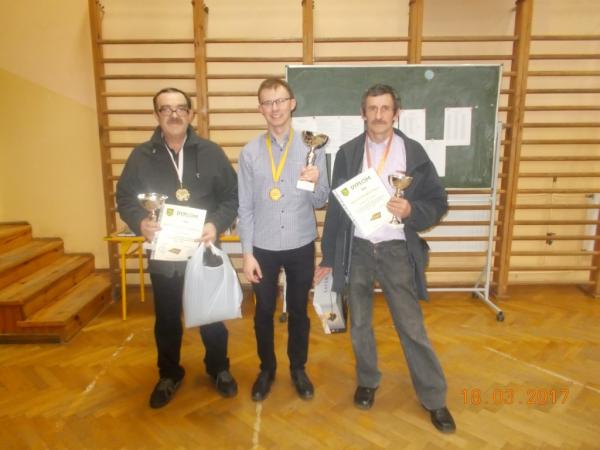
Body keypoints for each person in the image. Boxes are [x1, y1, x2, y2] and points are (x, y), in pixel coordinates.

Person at [314, 84, 456, 433]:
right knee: (360, 323)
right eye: (372, 108)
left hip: (396, 251)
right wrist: (329, 256)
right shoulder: (348, 153)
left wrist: (411, 210)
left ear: (395, 113)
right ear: (363, 113)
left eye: (385, 108)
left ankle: (434, 397)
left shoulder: (414, 152)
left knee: (411, 326)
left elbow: (438, 202)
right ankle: (367, 380)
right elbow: (336, 209)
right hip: (357, 250)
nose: (378, 115)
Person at [116, 87, 239, 409]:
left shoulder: (211, 152)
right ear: (156, 114)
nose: (174, 114)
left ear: (190, 113)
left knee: (212, 315)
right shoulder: (141, 156)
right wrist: (140, 223)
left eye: (180, 108)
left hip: (204, 249)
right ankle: (169, 373)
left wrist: (216, 224)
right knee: (167, 317)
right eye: (166, 109)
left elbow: (231, 197)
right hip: (165, 254)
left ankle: (219, 367)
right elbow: (125, 199)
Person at [238, 78, 329, 401]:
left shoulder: (313, 147)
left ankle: (298, 368)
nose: (274, 108)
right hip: (262, 246)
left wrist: (316, 181)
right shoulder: (249, 152)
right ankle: (266, 369)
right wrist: (246, 253)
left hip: (300, 242)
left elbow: (321, 200)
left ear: (292, 103)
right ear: (260, 108)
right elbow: (244, 206)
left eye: (280, 101)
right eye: (267, 102)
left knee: (299, 312)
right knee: (263, 311)